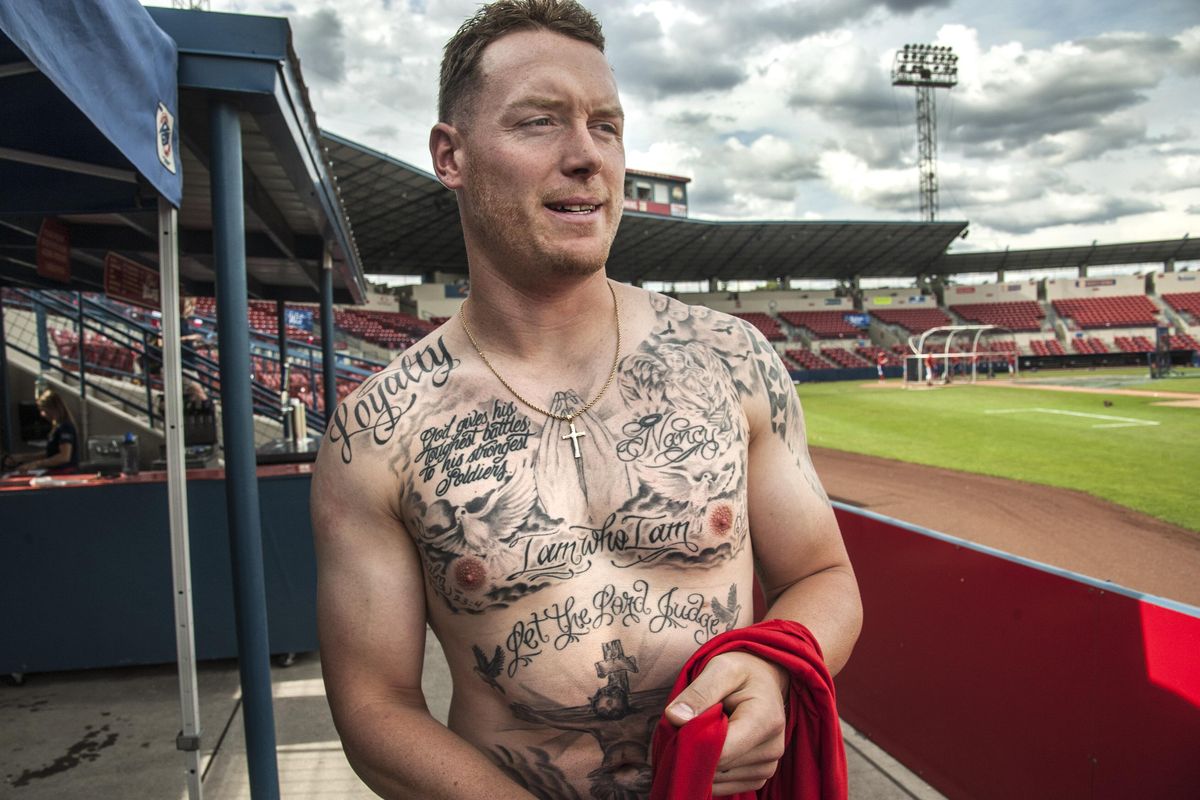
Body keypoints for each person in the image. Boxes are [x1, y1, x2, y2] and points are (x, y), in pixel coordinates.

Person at [310, 3, 862, 798]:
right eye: (540, 122)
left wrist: (770, 671)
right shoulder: (378, 431)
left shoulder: (730, 360)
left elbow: (826, 576)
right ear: (450, 154)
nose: (586, 157)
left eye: (606, 126)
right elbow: (374, 708)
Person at [6, 389, 79, 473]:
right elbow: (51, 453)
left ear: (52, 408)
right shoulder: (57, 427)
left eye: (43, 410)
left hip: (64, 473)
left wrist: (37, 464)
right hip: (55, 472)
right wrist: (23, 457)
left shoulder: (65, 427)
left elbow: (64, 456)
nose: (42, 414)